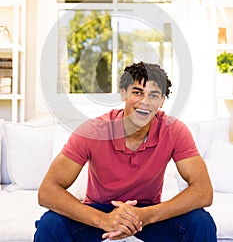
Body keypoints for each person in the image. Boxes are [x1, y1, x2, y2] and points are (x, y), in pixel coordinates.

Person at [34, 61, 217, 242]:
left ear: (161, 101)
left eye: (153, 95)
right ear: (123, 94)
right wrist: (104, 220)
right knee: (50, 224)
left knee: (200, 222)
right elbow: (47, 191)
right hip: (98, 210)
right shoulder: (92, 131)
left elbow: (203, 191)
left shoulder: (174, 130)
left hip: (147, 211)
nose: (144, 102)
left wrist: (147, 215)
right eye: (137, 92)